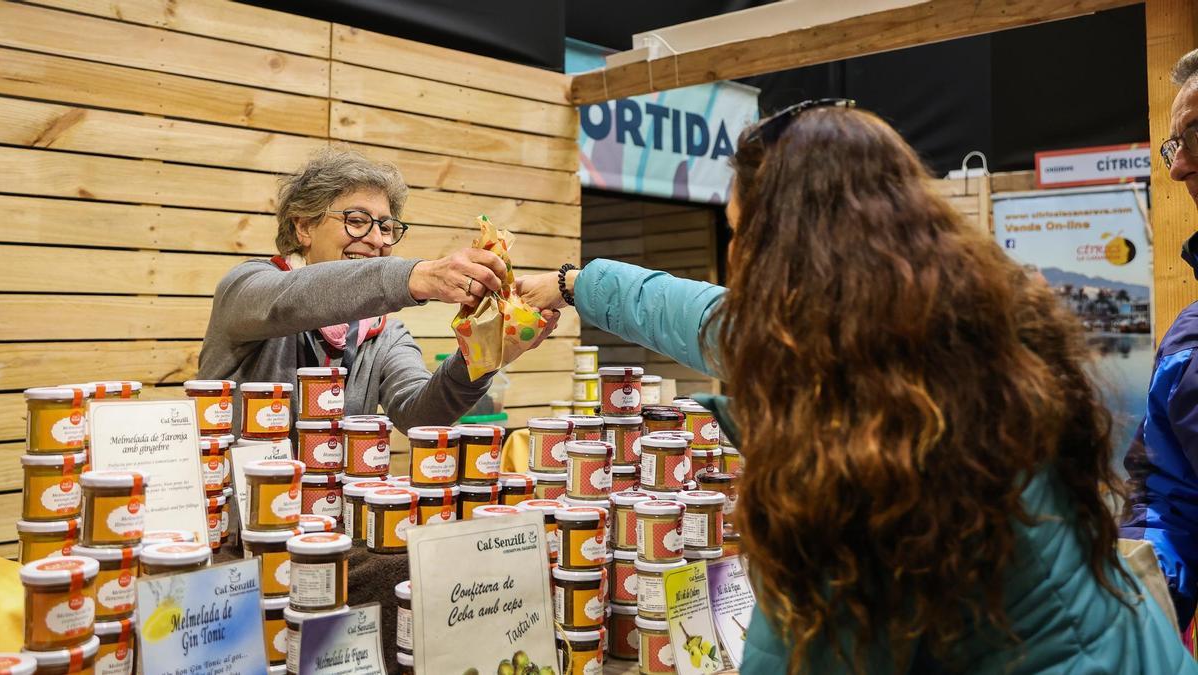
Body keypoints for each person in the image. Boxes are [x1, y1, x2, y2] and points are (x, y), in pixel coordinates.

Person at [518, 100, 1193, 672]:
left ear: (782, 252)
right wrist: (574, 284)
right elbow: (703, 315)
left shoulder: (850, 446)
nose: (732, 255)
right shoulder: (966, 330)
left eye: (739, 233)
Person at [198, 147, 557, 429]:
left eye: (386, 227)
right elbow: (297, 298)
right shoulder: (247, 288)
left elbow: (418, 415)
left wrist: (483, 355)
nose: (375, 239)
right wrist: (417, 276)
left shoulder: (384, 333)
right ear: (303, 227)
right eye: (356, 221)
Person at [1122, 47, 1198, 635]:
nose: (1177, 169)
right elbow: (1167, 500)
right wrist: (1142, 615)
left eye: (1196, 137)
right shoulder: (1185, 344)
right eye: (1175, 146)